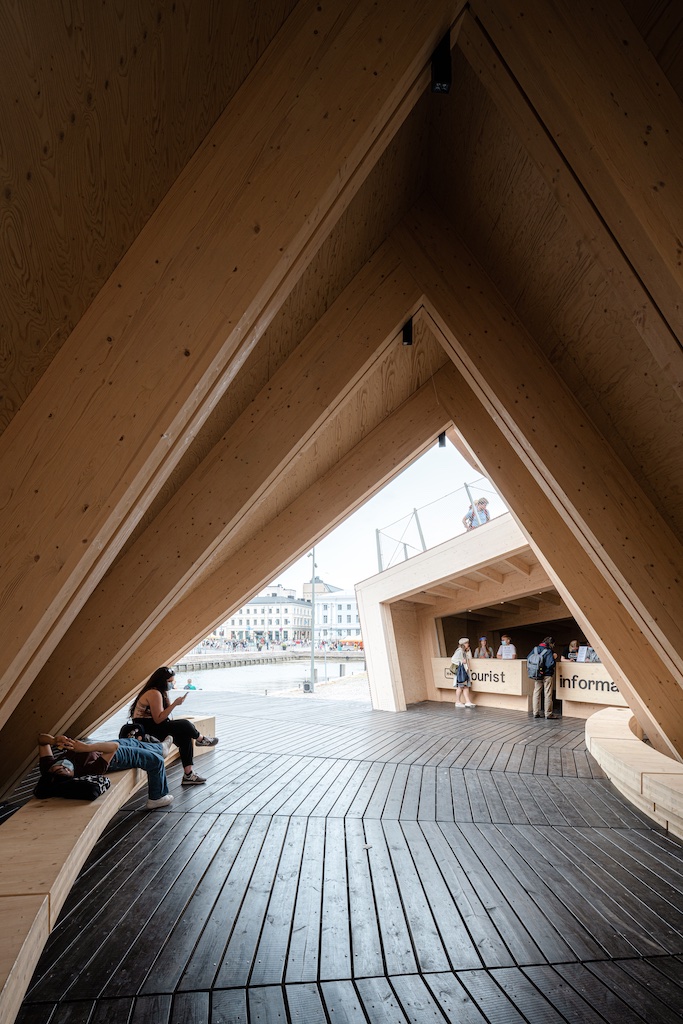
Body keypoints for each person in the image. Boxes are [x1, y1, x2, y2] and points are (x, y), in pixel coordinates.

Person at [130, 666, 218, 785]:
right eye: (169, 682)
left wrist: (173, 704)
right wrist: (175, 704)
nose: (171, 684)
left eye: (172, 681)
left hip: (154, 726)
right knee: (185, 724)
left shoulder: (160, 692)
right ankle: (201, 739)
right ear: (162, 681)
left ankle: (188, 774)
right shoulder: (154, 693)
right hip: (147, 729)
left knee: (184, 736)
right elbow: (158, 719)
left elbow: (163, 717)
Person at [38, 733, 173, 808]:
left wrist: (54, 740)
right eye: (66, 771)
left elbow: (41, 739)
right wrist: (85, 748)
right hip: (113, 756)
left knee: (133, 742)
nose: (63, 766)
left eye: (58, 768)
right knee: (156, 760)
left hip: (97, 747)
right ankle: (157, 797)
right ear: (73, 777)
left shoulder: (47, 766)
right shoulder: (88, 770)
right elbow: (113, 747)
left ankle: (161, 748)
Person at [530, 637, 558, 719]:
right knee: (548, 693)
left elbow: (529, 658)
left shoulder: (535, 649)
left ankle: (535, 713)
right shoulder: (548, 651)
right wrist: (553, 658)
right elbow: (550, 664)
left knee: (536, 693)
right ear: (551, 644)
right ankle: (548, 714)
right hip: (547, 675)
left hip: (536, 674)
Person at [450, 638, 476, 708]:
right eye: (467, 643)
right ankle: (458, 701)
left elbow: (470, 658)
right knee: (460, 687)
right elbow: (453, 659)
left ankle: (467, 701)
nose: (468, 644)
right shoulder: (459, 651)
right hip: (461, 672)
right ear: (463, 644)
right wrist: (461, 661)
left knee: (465, 686)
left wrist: (468, 651)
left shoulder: (464, 651)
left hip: (464, 671)